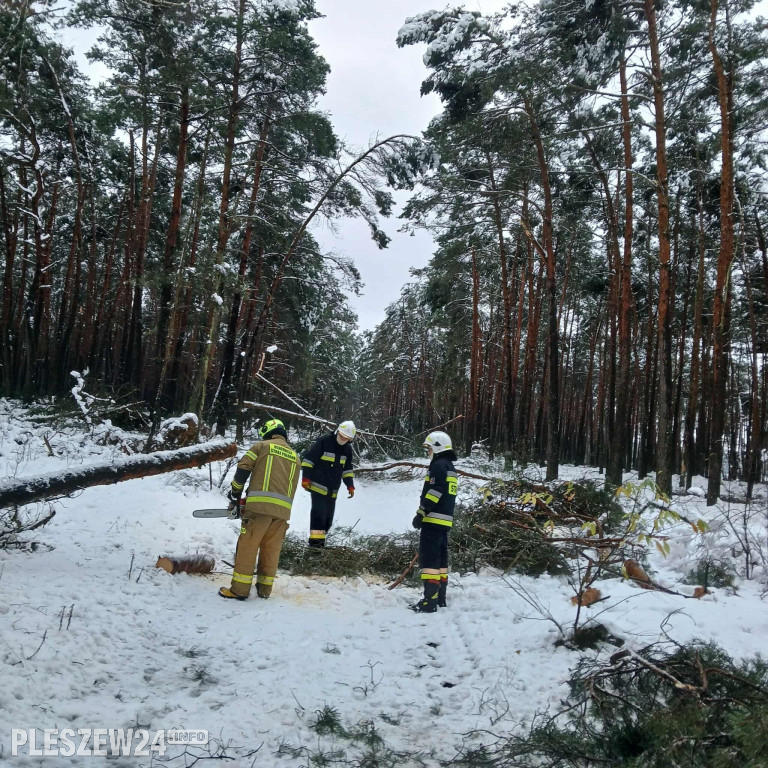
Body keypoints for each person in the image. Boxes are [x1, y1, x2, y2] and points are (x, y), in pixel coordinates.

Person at [218, 418, 301, 601]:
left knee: (248, 547)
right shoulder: (295, 456)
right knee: (271, 550)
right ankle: (264, 590)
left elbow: (243, 467)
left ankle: (239, 590)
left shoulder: (262, 446)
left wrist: (235, 493)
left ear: (268, 432)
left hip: (258, 511)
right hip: (282, 513)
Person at [411, 431, 458, 613]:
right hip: (444, 522)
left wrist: (421, 513)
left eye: (429, 448)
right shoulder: (450, 468)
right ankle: (440, 598)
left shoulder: (437, 466)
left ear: (437, 447)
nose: (427, 452)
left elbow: (434, 493)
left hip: (432, 519)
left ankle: (429, 602)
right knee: (441, 561)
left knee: (430, 560)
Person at [300, 420, 356, 547]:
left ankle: (319, 543)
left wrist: (350, 485)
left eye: (346, 438)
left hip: (332, 491)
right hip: (318, 487)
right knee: (318, 517)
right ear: (337, 432)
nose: (342, 439)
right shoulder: (324, 442)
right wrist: (306, 478)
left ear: (350, 439)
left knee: (328, 521)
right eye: (341, 435)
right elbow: (308, 460)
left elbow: (347, 470)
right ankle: (315, 548)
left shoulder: (347, 450)